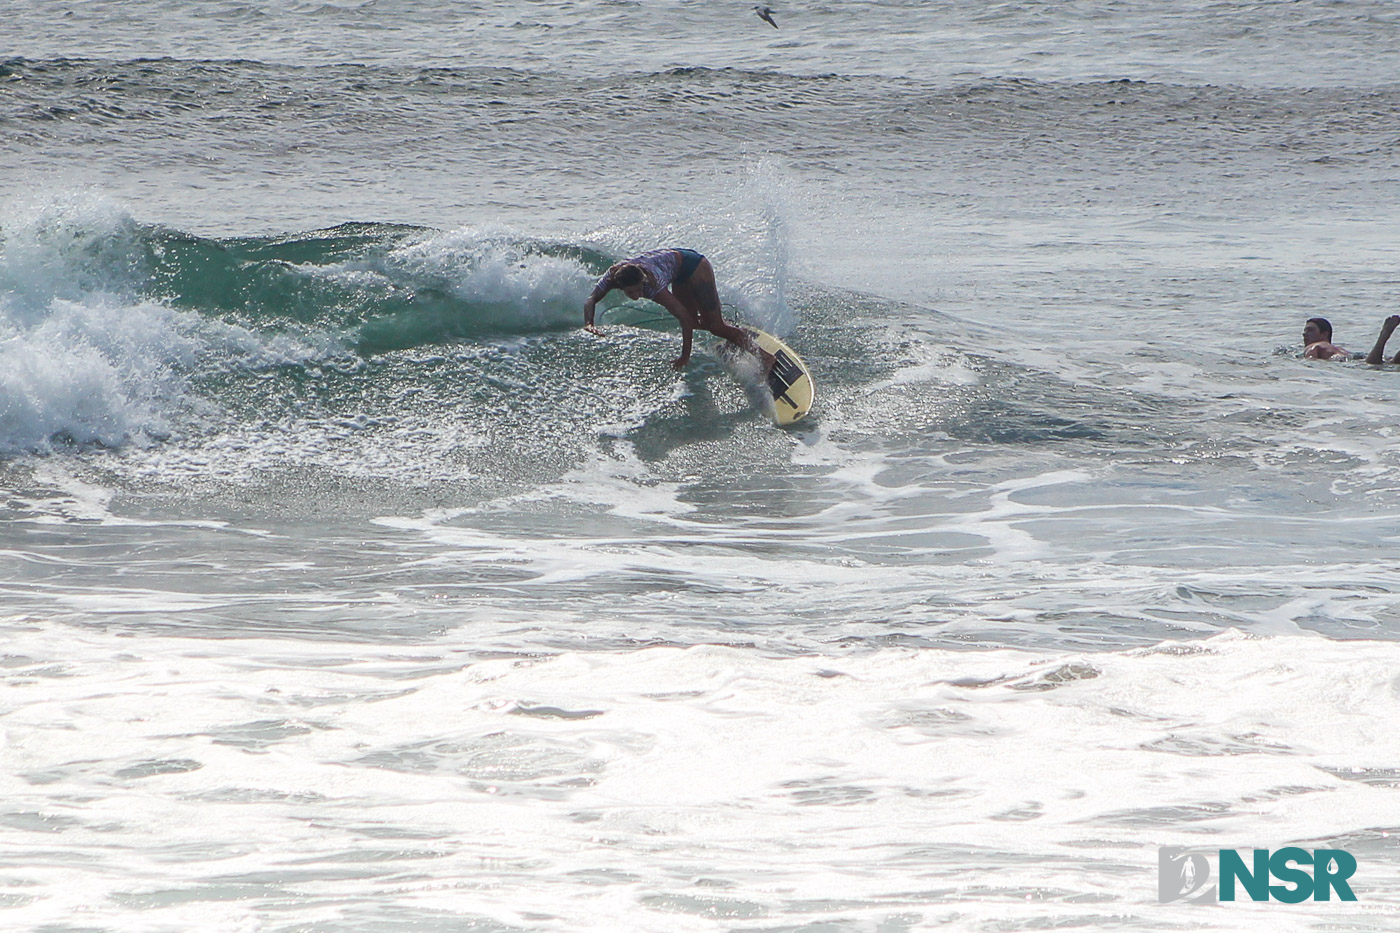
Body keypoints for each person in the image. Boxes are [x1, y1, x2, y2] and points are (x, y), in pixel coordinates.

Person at [582, 248, 770, 371]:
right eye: (631, 292)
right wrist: (589, 323)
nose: (637, 295)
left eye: (639, 289)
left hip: (694, 266)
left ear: (644, 281)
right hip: (677, 274)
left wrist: (684, 355)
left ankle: (767, 359)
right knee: (698, 323)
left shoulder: (653, 285)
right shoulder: (612, 277)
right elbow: (591, 299)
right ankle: (735, 334)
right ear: (620, 286)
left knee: (715, 327)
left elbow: (683, 318)